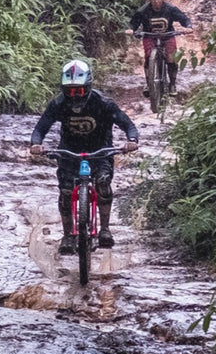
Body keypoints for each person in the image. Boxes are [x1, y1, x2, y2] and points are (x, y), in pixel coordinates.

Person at [29, 59, 140, 253]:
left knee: (103, 183)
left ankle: (105, 229)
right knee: (65, 191)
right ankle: (68, 235)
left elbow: (128, 125)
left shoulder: (103, 103)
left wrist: (131, 140)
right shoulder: (58, 103)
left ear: (87, 87)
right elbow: (40, 128)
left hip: (100, 151)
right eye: (69, 91)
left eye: (78, 91)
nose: (74, 96)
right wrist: (36, 144)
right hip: (69, 152)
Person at [126, 0, 194, 94]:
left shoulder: (170, 9)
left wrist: (188, 27)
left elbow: (184, 19)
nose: (156, 1)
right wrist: (131, 30)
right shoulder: (143, 11)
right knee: (148, 58)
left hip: (167, 36)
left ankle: (172, 84)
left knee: (172, 59)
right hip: (149, 36)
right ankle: (149, 84)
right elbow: (133, 23)